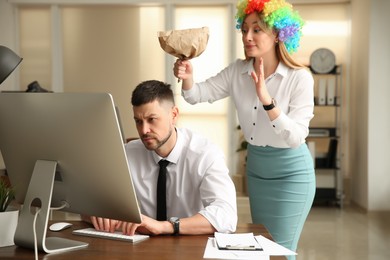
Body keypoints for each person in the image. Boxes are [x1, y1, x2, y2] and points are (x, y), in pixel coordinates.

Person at [173, 0, 315, 257]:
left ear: (277, 35)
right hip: (258, 170)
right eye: (244, 29)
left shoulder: (299, 77)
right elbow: (196, 95)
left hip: (291, 174)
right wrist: (188, 77)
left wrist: (267, 99)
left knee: (281, 251)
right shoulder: (238, 71)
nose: (247, 37)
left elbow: (297, 137)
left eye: (257, 30)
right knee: (264, 247)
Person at [85, 80, 237, 236]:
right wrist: (96, 211)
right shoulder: (126, 154)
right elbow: (86, 201)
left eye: (152, 119)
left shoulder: (205, 154)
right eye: (138, 121)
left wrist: (165, 226)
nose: (144, 130)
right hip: (140, 247)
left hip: (190, 248)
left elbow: (226, 215)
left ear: (173, 115)